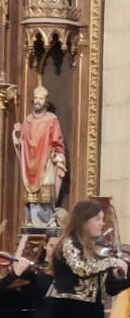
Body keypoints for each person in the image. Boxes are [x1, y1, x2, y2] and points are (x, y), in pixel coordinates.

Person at [12, 86, 67, 225]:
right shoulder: (27, 120)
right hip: (30, 165)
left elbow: (58, 142)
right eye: (36, 97)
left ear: (46, 101)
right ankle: (32, 224)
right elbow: (21, 143)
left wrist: (59, 160)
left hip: (46, 164)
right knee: (32, 199)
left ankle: (45, 225)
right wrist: (18, 133)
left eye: (41, 98)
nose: (37, 101)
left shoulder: (52, 120)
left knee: (46, 196)